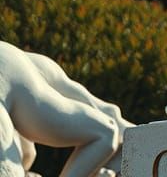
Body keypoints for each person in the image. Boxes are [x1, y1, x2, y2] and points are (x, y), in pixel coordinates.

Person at [0, 42, 132, 177]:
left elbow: (106, 133)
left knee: (105, 132)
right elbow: (28, 155)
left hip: (14, 72)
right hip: (11, 59)